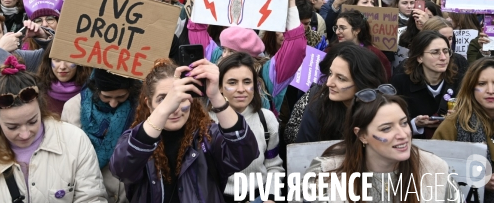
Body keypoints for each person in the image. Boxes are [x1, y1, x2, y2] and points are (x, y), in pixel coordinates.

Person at [0, 55, 108, 203]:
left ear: (41, 109)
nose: (24, 134)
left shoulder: (75, 141)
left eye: (32, 121)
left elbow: (92, 198)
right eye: (12, 126)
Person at [109, 58, 259, 203]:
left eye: (181, 98)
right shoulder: (137, 138)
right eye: (163, 99)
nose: (174, 108)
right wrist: (163, 111)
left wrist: (216, 96)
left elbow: (244, 154)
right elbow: (121, 169)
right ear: (149, 104)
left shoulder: (207, 136)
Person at [304, 88, 460, 202]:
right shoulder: (325, 176)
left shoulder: (435, 169)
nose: (403, 134)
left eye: (404, 123)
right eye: (386, 128)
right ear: (361, 135)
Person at [211, 53, 284, 203]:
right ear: (219, 87)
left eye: (246, 82)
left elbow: (274, 165)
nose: (241, 89)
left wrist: (270, 197)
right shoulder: (206, 122)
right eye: (232, 82)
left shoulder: (266, 119)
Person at [62, 69, 141, 203]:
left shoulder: (139, 106)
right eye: (106, 97)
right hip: (92, 193)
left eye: (121, 97)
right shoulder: (73, 108)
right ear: (95, 90)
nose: (113, 103)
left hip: (130, 193)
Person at [289, 43, 387, 143]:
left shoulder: (384, 111)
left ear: (363, 82)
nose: (328, 83)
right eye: (330, 73)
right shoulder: (318, 108)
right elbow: (303, 152)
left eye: (341, 78)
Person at [433, 57, 494, 201]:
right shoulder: (454, 123)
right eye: (482, 84)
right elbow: (433, 170)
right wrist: (477, 181)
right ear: (471, 87)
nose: (490, 90)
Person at [391, 30, 461, 139]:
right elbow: (390, 122)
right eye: (435, 52)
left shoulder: (460, 81)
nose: (443, 57)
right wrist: (415, 124)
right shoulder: (401, 82)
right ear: (419, 57)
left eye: (446, 51)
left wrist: (458, 118)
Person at [332, 10, 392, 79]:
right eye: (336, 28)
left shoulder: (375, 54)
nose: (337, 32)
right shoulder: (331, 50)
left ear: (357, 30)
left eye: (342, 28)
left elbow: (384, 80)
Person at [36, 44, 90, 115]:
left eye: (69, 60)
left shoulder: (90, 92)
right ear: (49, 61)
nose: (62, 66)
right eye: (57, 60)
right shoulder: (38, 91)